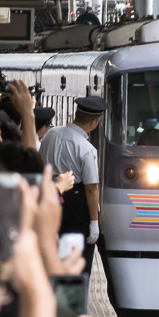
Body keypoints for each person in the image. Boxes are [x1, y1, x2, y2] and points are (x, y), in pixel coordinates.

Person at [39, 96, 107, 273]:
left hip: (50, 196)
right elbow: (91, 188)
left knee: (51, 254)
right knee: (76, 262)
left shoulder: (50, 135)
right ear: (94, 122)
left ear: (76, 114)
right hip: (76, 207)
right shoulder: (87, 149)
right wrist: (94, 222)